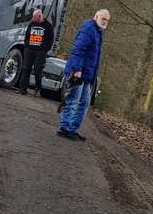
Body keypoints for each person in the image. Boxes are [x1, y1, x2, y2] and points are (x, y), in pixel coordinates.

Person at [57, 9, 110, 141]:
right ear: (96, 16)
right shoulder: (89, 29)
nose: (105, 22)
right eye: (103, 18)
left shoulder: (98, 32)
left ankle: (72, 129)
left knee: (85, 103)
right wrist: (77, 69)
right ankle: (65, 128)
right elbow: (78, 50)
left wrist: (92, 77)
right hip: (79, 72)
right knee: (73, 100)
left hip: (88, 75)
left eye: (107, 20)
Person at [16, 9, 54, 96]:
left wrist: (45, 50)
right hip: (29, 50)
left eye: (34, 17)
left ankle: (38, 87)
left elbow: (51, 40)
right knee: (26, 69)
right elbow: (27, 36)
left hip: (40, 52)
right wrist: (26, 46)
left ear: (40, 17)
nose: (33, 19)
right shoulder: (32, 24)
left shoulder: (48, 26)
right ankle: (22, 89)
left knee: (37, 70)